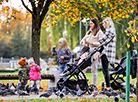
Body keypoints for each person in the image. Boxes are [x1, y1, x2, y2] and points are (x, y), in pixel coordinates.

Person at [90, 17, 116, 95]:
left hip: (107, 53)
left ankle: (108, 87)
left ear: (107, 23)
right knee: (105, 70)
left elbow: (102, 40)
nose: (103, 25)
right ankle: (107, 87)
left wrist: (98, 41)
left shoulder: (110, 31)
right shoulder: (111, 30)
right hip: (106, 52)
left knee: (105, 70)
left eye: (104, 23)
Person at [81, 18, 104, 86]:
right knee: (83, 70)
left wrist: (91, 43)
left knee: (94, 70)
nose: (90, 25)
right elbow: (83, 39)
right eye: (90, 23)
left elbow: (101, 44)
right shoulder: (89, 32)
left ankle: (94, 86)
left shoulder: (100, 33)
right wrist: (83, 43)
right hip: (88, 53)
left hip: (95, 54)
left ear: (95, 24)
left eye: (91, 23)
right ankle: (83, 85)